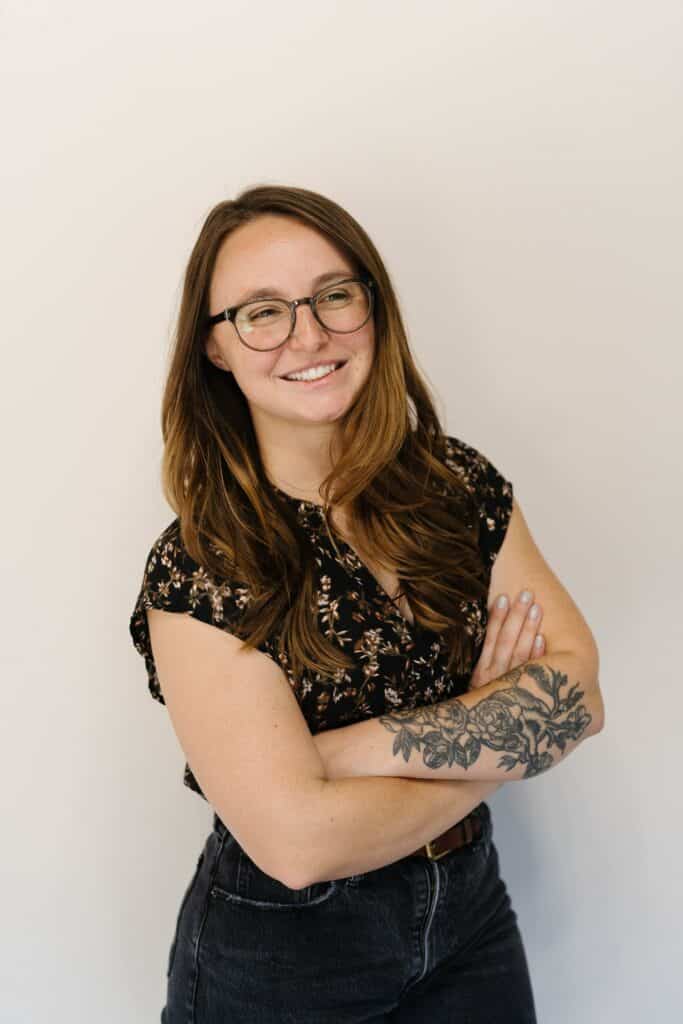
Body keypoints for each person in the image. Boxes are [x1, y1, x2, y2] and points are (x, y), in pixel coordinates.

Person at [129, 184, 603, 1022]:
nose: (308, 335)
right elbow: (298, 845)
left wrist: (331, 758)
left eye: (333, 296)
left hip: (470, 920)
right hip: (282, 953)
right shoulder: (202, 563)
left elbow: (575, 699)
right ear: (214, 349)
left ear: (372, 308)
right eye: (261, 312)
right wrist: (489, 741)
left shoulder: (455, 486)